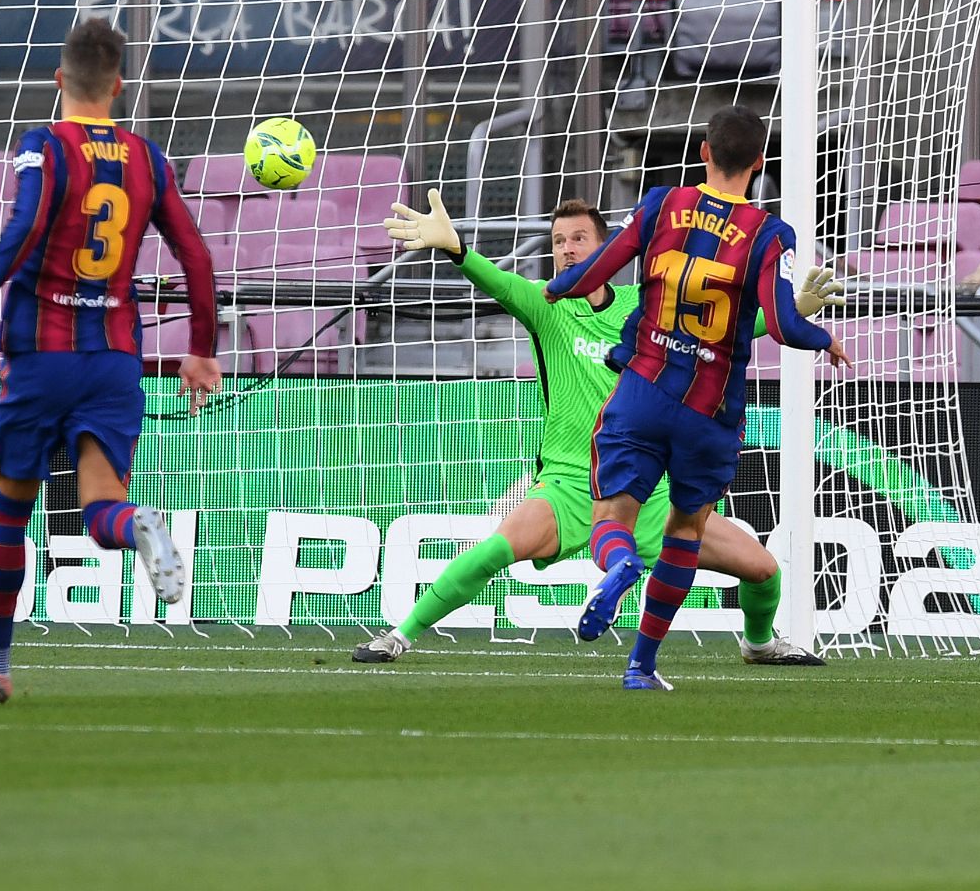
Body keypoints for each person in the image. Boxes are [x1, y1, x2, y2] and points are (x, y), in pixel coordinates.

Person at [354, 195, 837, 666]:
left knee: (763, 571)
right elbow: (500, 283)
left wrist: (788, 313)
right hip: (569, 485)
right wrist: (458, 250)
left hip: (648, 492)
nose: (566, 247)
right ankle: (398, 637)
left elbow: (717, 326)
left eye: (580, 238)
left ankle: (759, 646)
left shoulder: (645, 306)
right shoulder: (548, 303)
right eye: (559, 239)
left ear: (607, 248)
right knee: (493, 551)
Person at [0, 18, 222, 703]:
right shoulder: (147, 158)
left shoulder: (44, 146)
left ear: (59, 80)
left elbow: (28, 225)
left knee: (11, 509)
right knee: (103, 510)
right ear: (120, 85)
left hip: (42, 356)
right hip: (114, 361)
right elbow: (196, 254)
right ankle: (139, 527)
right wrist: (200, 351)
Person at [544, 106, 849, 691]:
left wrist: (556, 288)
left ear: (703, 153)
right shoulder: (769, 234)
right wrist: (824, 337)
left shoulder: (662, 204)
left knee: (612, 515)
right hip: (709, 413)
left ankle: (619, 564)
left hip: (641, 389)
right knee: (686, 531)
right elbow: (783, 326)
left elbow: (592, 273)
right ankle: (642, 665)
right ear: (760, 164)